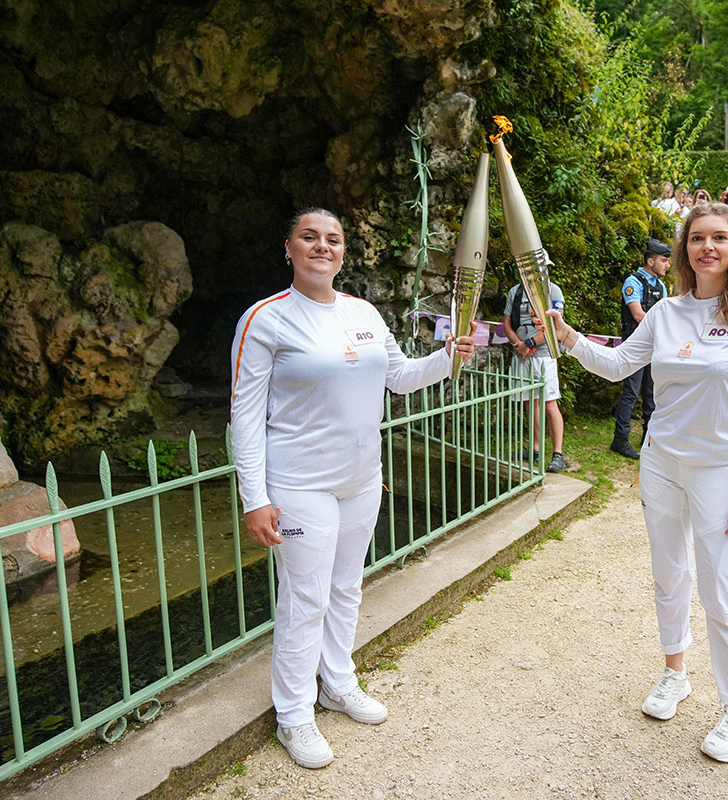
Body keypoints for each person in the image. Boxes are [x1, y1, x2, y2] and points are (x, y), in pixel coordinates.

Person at [540, 201, 728, 764]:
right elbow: (621, 364)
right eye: (697, 238)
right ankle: (675, 672)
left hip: (723, 472)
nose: (707, 248)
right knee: (668, 575)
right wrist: (570, 335)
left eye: (719, 239)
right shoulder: (666, 312)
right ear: (684, 250)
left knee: (720, 588)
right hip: (661, 463)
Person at [230, 208, 476, 769]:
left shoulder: (363, 313)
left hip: (361, 480)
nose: (322, 246)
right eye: (309, 237)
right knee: (305, 596)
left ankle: (337, 684)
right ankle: (294, 714)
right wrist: (255, 498)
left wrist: (445, 358)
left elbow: (398, 377)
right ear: (288, 247)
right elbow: (244, 416)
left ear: (343, 252)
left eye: (333, 239)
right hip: (298, 484)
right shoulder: (265, 319)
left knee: (345, 588)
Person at [612, 238, 671, 459]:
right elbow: (637, 315)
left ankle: (649, 438)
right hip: (635, 346)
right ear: (650, 260)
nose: (667, 265)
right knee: (631, 392)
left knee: (651, 394)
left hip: (655, 346)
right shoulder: (633, 282)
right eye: (664, 261)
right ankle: (620, 440)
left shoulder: (661, 286)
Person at [503, 278, 567, 472]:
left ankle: (558, 453)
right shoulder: (515, 291)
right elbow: (507, 322)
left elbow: (556, 326)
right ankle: (535, 449)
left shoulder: (552, 290)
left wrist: (530, 343)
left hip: (544, 354)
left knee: (549, 404)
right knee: (530, 403)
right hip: (522, 353)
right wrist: (518, 344)